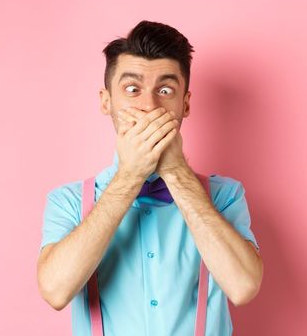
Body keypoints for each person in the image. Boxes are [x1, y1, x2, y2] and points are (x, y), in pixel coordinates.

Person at [36, 20, 263, 335]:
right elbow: (55, 291)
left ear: (184, 104)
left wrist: (175, 171)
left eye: (165, 90)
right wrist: (129, 178)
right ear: (106, 101)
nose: (149, 107)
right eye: (132, 89)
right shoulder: (69, 201)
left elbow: (243, 287)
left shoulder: (225, 196)